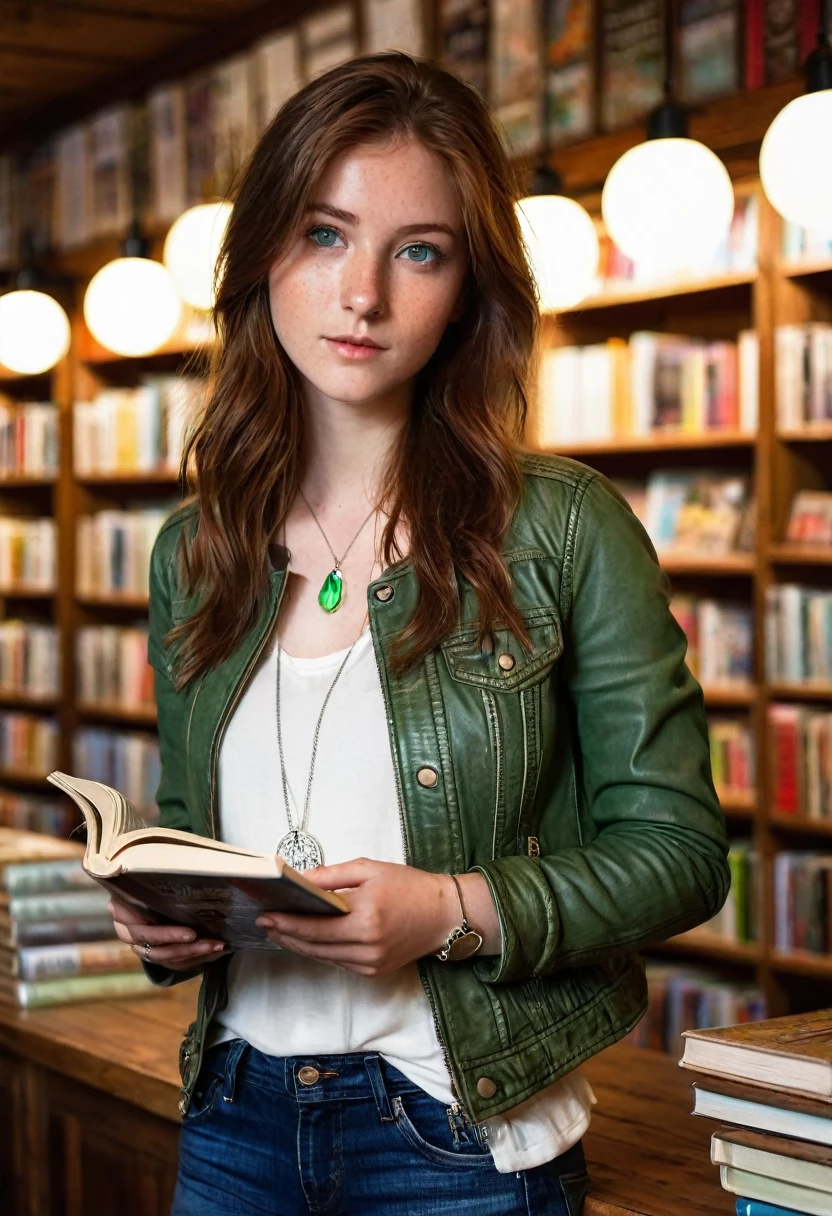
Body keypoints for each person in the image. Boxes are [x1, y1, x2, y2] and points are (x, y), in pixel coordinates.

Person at [107, 51, 730, 1216]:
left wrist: (448, 910)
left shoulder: (563, 527)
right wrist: (161, 915)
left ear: (465, 288)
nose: (364, 296)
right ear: (262, 257)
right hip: (233, 1116)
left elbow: (683, 852)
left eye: (420, 251)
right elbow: (199, 831)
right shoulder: (194, 550)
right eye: (325, 234)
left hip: (457, 1132)